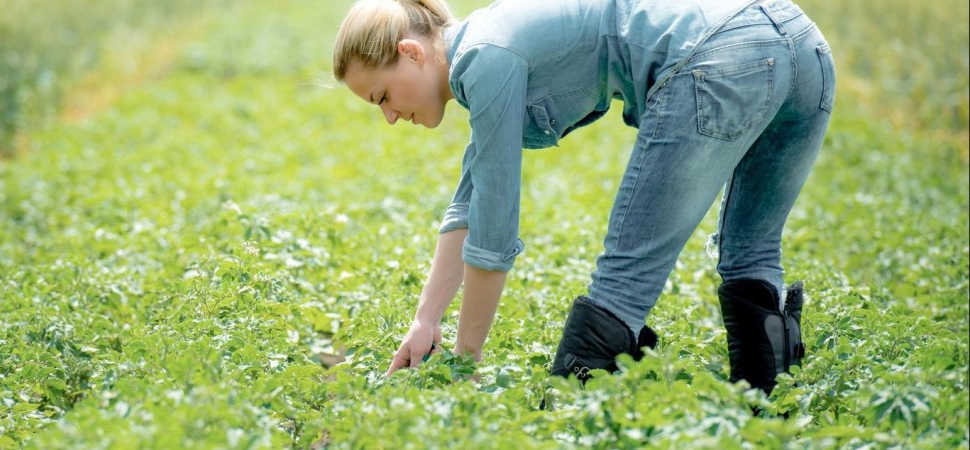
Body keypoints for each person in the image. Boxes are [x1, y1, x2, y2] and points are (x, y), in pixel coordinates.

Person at [332, 0, 833, 397]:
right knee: (752, 252)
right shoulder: (492, 40)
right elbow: (472, 198)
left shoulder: (485, 57)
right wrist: (426, 319)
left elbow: (491, 234)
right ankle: (776, 412)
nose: (390, 118)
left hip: (721, 53)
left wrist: (464, 365)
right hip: (801, 44)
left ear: (412, 53)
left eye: (382, 98)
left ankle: (577, 418)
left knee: (624, 280)